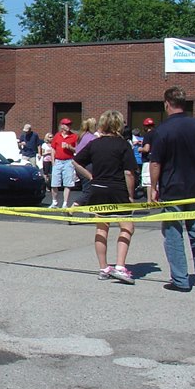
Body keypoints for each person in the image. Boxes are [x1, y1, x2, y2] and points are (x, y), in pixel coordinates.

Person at [149, 86, 195, 293]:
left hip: (173, 189)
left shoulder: (162, 130)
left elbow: (156, 162)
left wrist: (153, 187)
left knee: (174, 234)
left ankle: (180, 280)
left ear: (166, 104)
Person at [73, 110, 137, 284]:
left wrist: (90, 176)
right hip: (117, 189)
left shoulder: (95, 144)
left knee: (102, 228)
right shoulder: (123, 145)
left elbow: (76, 161)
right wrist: (131, 196)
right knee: (127, 226)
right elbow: (129, 173)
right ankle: (120, 266)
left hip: (98, 189)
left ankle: (103, 267)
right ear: (118, 125)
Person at [50, 118, 78, 208]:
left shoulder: (74, 136)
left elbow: (77, 149)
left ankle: (65, 203)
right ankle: (54, 202)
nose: (68, 126)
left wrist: (69, 147)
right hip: (58, 161)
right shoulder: (57, 136)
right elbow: (53, 149)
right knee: (54, 183)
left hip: (68, 161)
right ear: (62, 126)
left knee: (68, 183)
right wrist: (53, 161)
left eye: (69, 124)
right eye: (66, 124)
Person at [73, 118, 98, 206]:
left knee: (87, 189)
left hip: (79, 166)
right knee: (89, 190)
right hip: (87, 166)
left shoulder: (81, 136)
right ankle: (74, 207)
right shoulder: (92, 138)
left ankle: (90, 213)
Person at [40, 132, 55, 198]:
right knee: (46, 174)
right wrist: (48, 152)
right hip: (46, 160)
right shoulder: (44, 145)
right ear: (47, 138)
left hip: (52, 160)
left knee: (52, 173)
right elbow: (42, 153)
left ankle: (52, 186)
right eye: (50, 137)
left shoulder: (53, 144)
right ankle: (46, 186)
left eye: (52, 137)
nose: (51, 138)